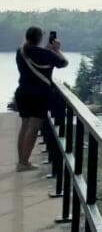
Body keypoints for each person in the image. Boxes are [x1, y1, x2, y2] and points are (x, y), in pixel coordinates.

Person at [14, 27, 67, 172]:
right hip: (39, 95)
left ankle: (21, 161)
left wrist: (48, 50)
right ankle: (24, 163)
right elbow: (63, 63)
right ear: (40, 38)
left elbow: (36, 54)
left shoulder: (21, 51)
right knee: (34, 127)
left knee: (25, 126)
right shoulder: (46, 53)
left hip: (22, 93)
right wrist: (56, 49)